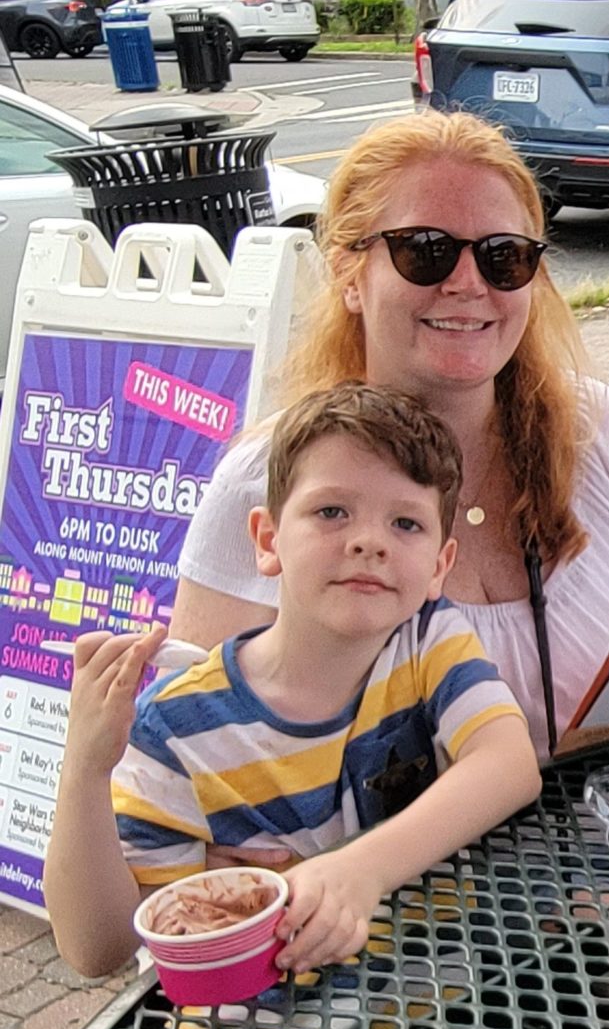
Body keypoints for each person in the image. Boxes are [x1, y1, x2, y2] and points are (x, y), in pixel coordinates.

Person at [172, 114, 609, 769]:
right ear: (347, 272)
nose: (468, 283)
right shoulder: (271, 476)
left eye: (504, 255)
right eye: (426, 249)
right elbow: (192, 759)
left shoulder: (597, 431)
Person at [46, 383, 542, 980]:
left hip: (438, 1020)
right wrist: (84, 769)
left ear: (441, 565)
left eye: (406, 523)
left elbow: (509, 765)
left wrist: (360, 870)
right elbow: (99, 949)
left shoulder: (428, 642)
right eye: (332, 512)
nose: (369, 541)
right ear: (266, 540)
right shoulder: (175, 728)